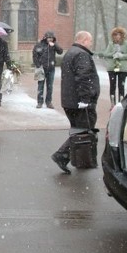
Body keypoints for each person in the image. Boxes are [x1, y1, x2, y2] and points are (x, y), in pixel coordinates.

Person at [51, 31, 101, 174]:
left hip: (70, 101)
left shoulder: (71, 52)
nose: (90, 44)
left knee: (79, 130)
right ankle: (62, 156)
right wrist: (85, 99)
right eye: (90, 41)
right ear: (84, 40)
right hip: (79, 102)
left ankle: (82, 161)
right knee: (83, 131)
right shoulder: (81, 54)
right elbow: (84, 78)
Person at [31, 31, 63, 109]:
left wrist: (55, 45)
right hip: (41, 69)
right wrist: (38, 65)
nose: (50, 39)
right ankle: (40, 102)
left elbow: (60, 51)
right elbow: (34, 55)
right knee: (40, 86)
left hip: (51, 69)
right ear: (45, 37)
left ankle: (48, 102)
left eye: (51, 38)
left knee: (50, 87)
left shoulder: (54, 45)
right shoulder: (39, 45)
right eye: (49, 38)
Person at [102, 27, 127, 106]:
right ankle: (112, 104)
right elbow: (105, 54)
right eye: (115, 35)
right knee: (112, 86)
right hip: (112, 68)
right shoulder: (111, 44)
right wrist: (113, 54)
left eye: (119, 35)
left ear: (122, 35)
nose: (117, 37)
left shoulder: (126, 44)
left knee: (121, 86)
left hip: (122, 68)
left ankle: (121, 104)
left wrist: (121, 55)